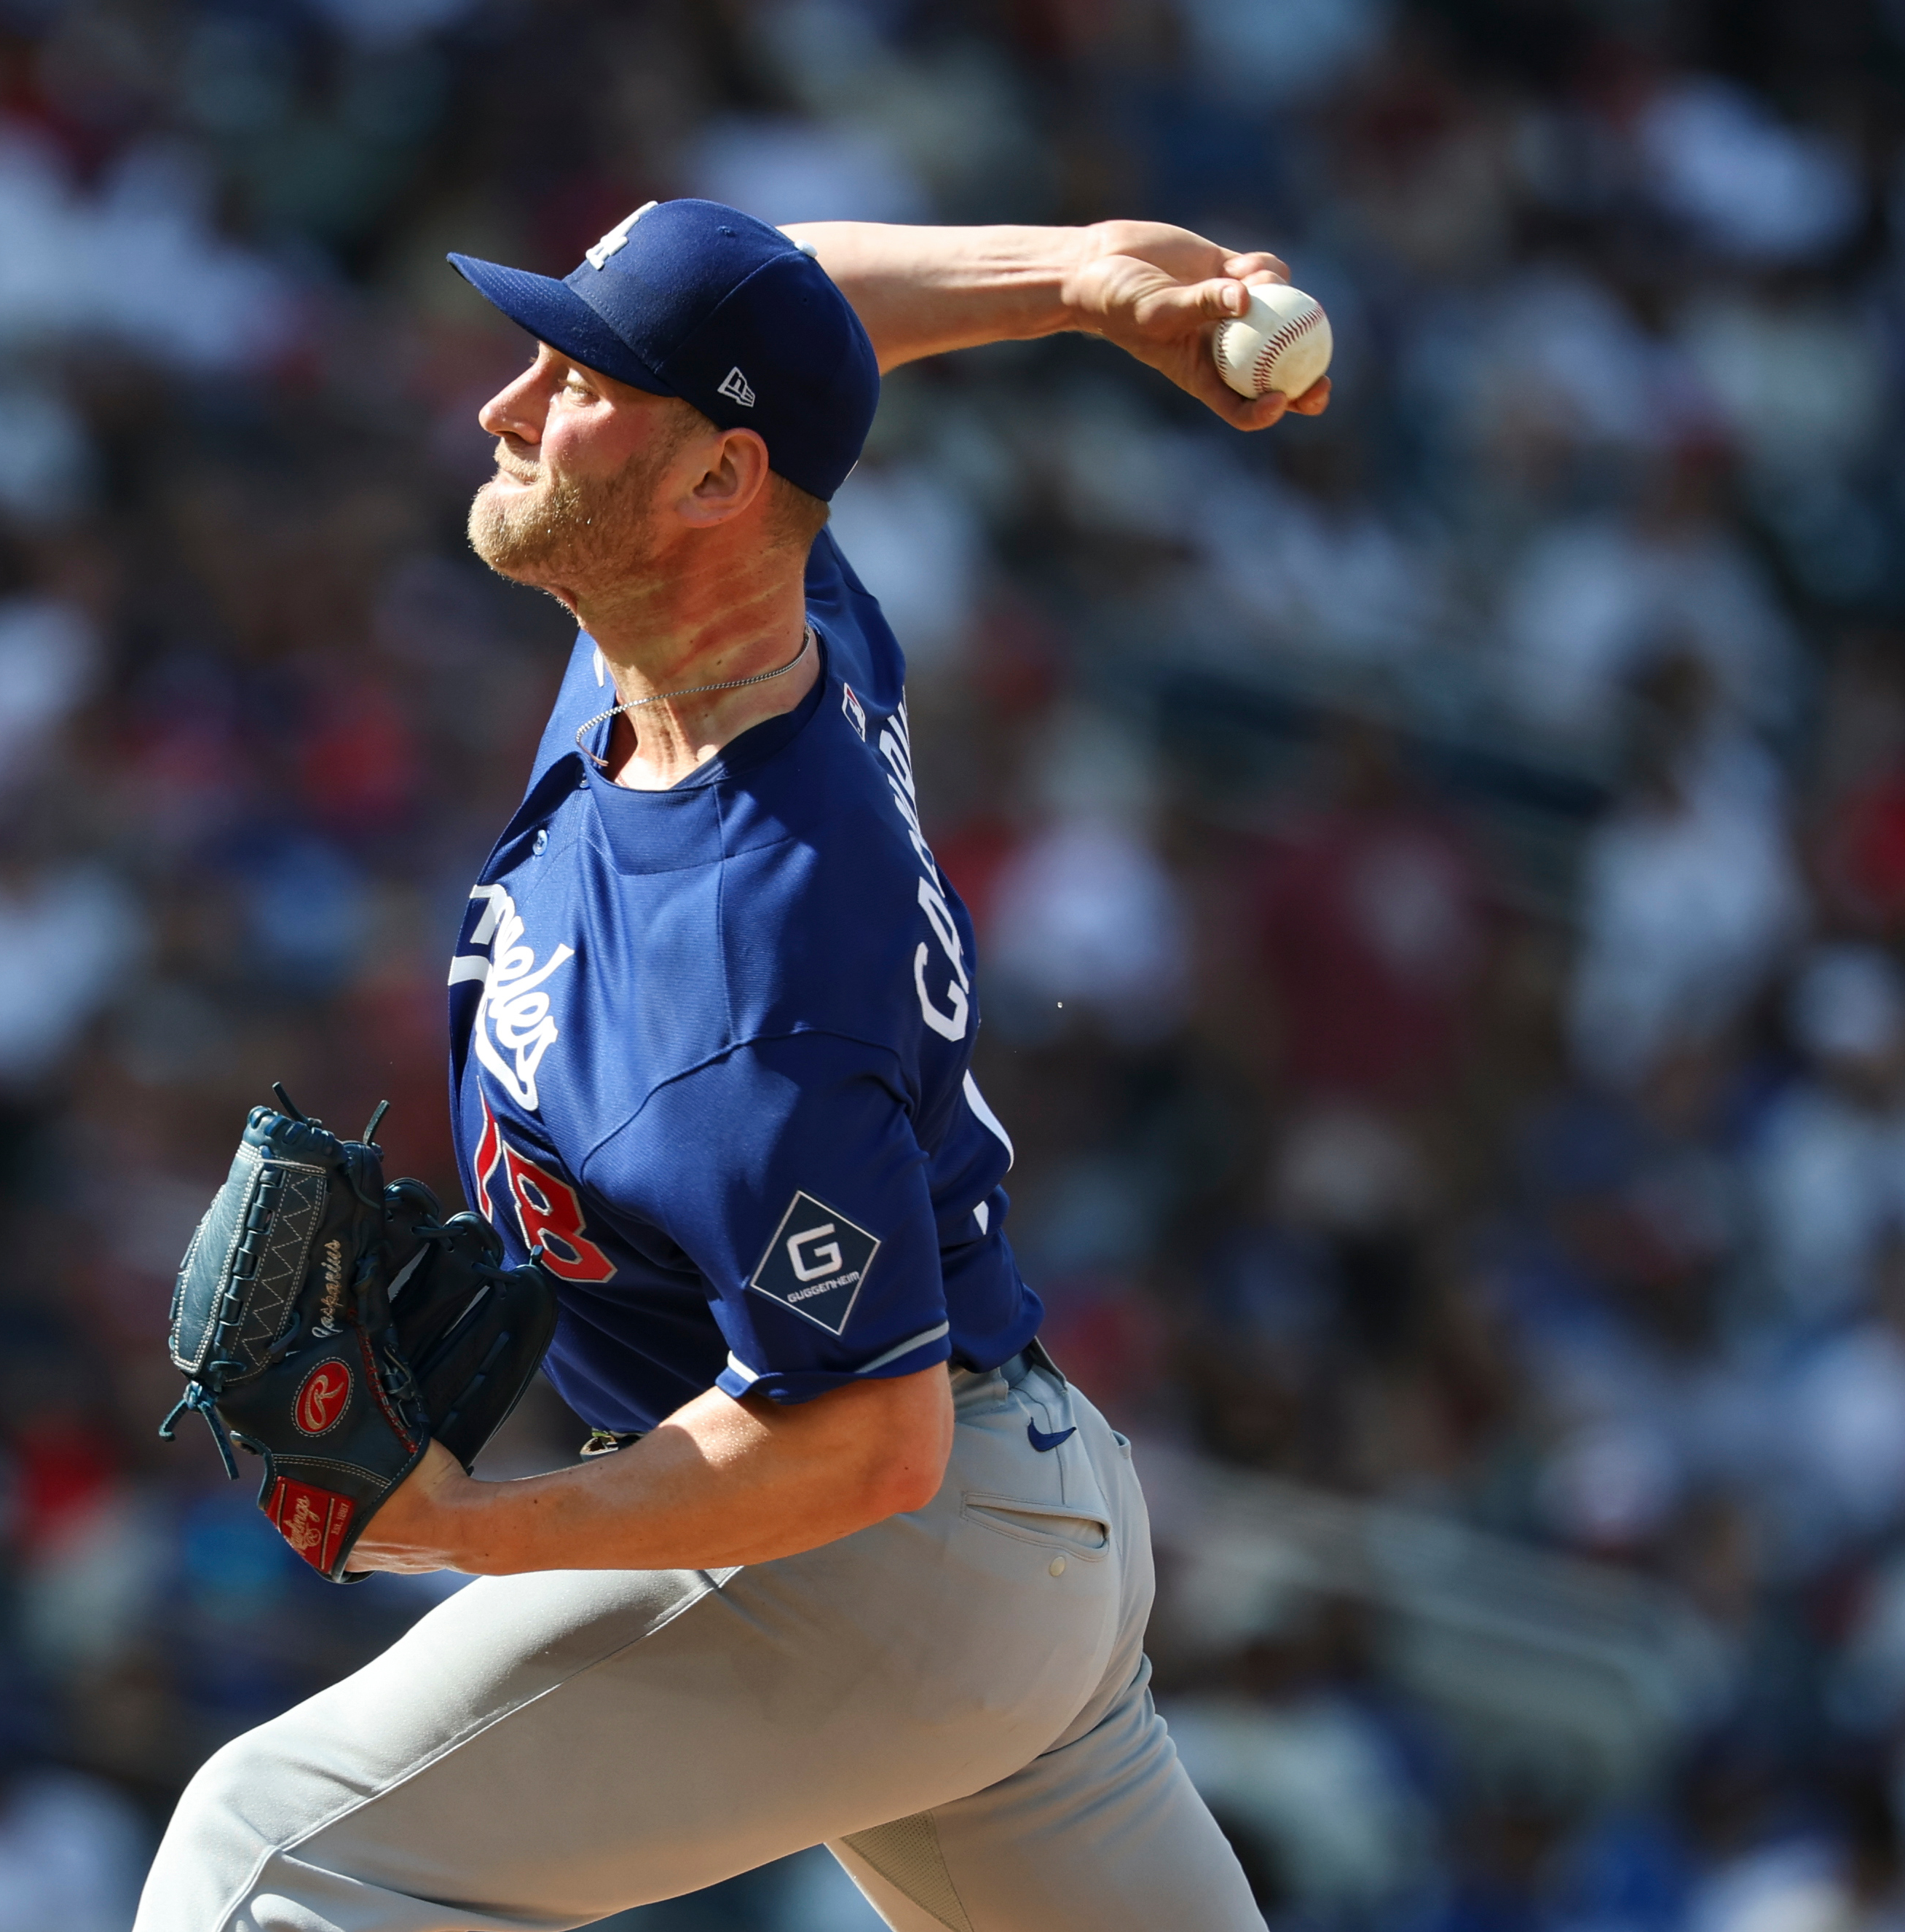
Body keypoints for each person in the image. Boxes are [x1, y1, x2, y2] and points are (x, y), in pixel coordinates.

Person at [134, 200, 1328, 1932]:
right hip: (1017, 1524)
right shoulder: (733, 623)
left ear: (714, 481)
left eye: (574, 382)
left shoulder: (753, 958)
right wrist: (1074, 282)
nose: (506, 404)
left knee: (269, 1855)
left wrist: (464, 1527)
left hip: (876, 1547)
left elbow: (862, 1443)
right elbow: (788, 302)